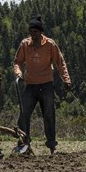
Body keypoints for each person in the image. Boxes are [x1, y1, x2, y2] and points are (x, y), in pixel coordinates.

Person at [13, 15, 71, 156]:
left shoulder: (50, 44)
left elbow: (60, 62)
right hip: (30, 85)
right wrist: (18, 73)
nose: (33, 35)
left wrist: (66, 79)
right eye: (31, 32)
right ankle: (23, 145)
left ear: (41, 32)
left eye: (35, 32)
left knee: (49, 115)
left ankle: (52, 147)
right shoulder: (25, 44)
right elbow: (17, 61)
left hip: (46, 85)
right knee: (24, 114)